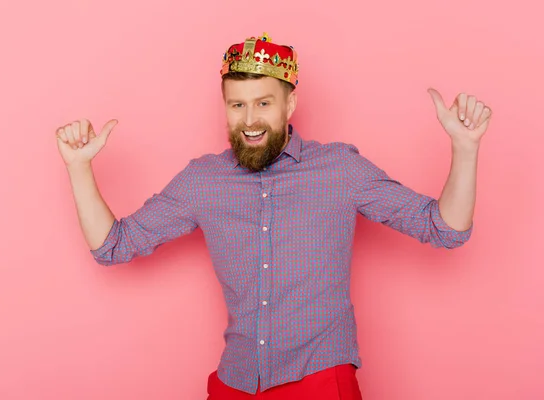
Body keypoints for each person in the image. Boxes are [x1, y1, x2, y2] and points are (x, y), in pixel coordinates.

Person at [55, 33, 492, 400]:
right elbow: (113, 246)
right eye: (237, 105)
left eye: (263, 103)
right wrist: (79, 167)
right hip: (235, 383)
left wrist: (465, 148)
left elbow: (445, 228)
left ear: (290, 104)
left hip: (321, 380)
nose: (249, 119)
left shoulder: (340, 169)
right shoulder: (202, 181)